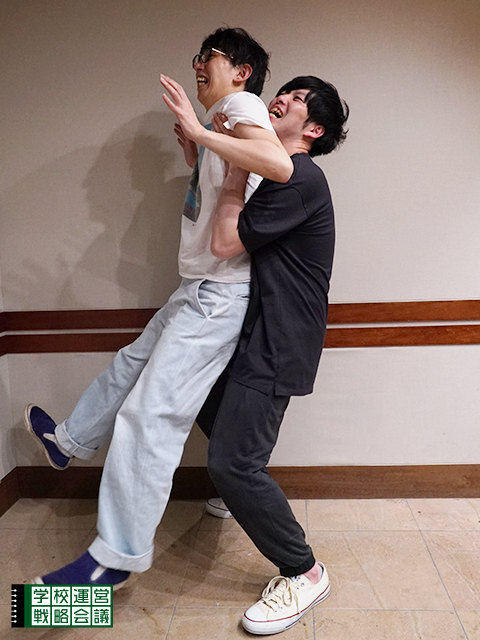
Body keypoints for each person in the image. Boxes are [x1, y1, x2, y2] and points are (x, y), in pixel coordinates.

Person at [24, 26, 293, 588]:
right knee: (129, 364)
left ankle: (115, 559)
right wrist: (198, 148)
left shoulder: (240, 105)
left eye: (209, 57)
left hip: (217, 295)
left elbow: (278, 164)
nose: (198, 65)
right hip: (195, 287)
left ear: (241, 71)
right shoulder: (223, 122)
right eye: (198, 56)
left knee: (150, 415)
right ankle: (67, 443)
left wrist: (199, 131)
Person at [194, 75, 349, 634]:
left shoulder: (300, 177)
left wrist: (233, 162)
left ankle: (304, 571)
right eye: (284, 89)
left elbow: (224, 242)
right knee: (197, 401)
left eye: (298, 99)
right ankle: (240, 494)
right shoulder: (278, 176)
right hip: (254, 329)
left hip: (279, 340)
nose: (280, 97)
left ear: (313, 130)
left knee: (233, 464)